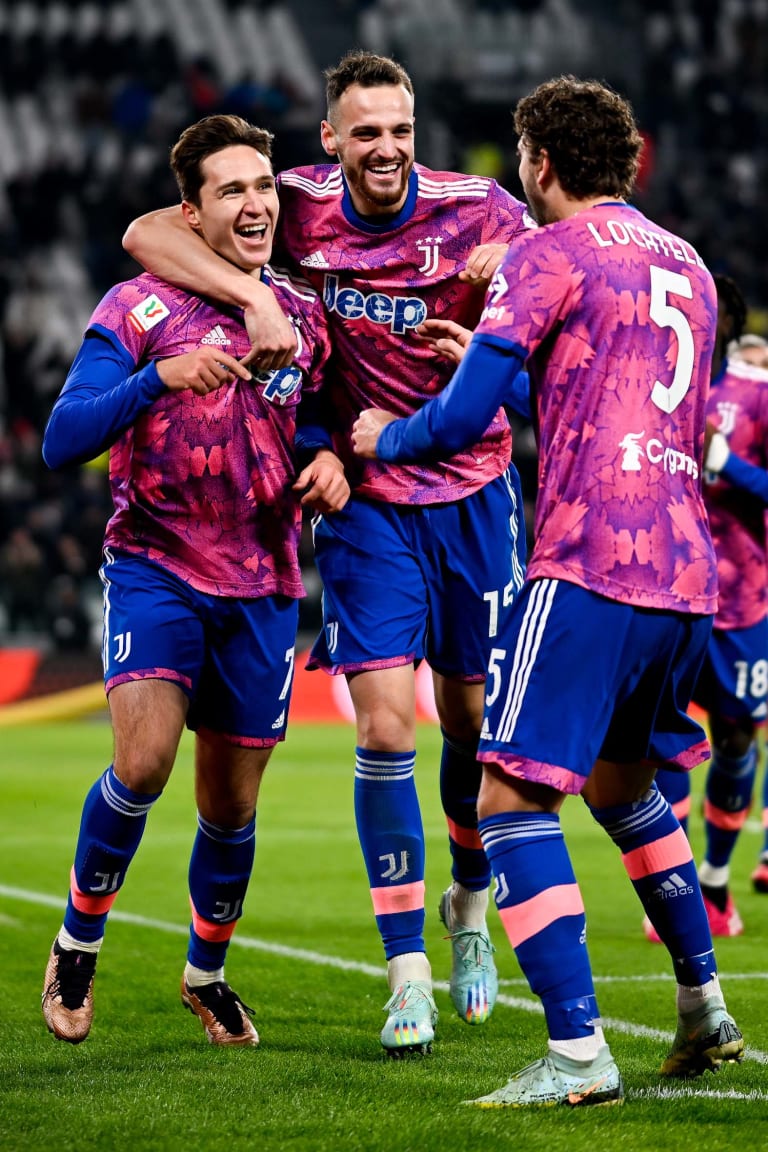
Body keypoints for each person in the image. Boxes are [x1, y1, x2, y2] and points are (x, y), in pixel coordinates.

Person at [123, 50, 532, 1055]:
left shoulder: (483, 207)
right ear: (331, 140)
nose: (386, 148)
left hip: (476, 491)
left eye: (400, 129)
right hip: (364, 499)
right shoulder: (295, 206)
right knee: (386, 730)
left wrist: (509, 271)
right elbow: (142, 232)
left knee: (475, 733)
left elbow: (557, 284)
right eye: (366, 132)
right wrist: (254, 301)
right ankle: (405, 975)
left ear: (413, 131)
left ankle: (469, 915)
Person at [351, 75, 744, 1106]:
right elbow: (629, 399)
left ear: (540, 163)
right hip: (686, 570)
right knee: (623, 788)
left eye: (523, 156)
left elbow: (456, 423)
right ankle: (704, 1009)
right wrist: (499, 366)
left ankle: (577, 1055)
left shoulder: (544, 250)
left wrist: (382, 433)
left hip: (591, 560)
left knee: (510, 800)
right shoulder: (690, 263)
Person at [40, 114, 349, 1047]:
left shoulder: (301, 315)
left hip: (263, 582)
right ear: (192, 209)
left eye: (264, 187)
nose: (256, 204)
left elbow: (311, 419)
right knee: (143, 764)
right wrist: (157, 380)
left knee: (233, 805)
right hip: (157, 564)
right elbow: (65, 437)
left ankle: (206, 974)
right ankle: (78, 943)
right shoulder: (138, 307)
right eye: (232, 190)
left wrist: (328, 461)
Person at [651, 285, 768, 934]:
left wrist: (730, 465)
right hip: (665, 588)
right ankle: (670, 891)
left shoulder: (756, 395)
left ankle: (715, 882)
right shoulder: (651, 382)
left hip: (742, 602)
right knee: (660, 741)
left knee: (734, 742)